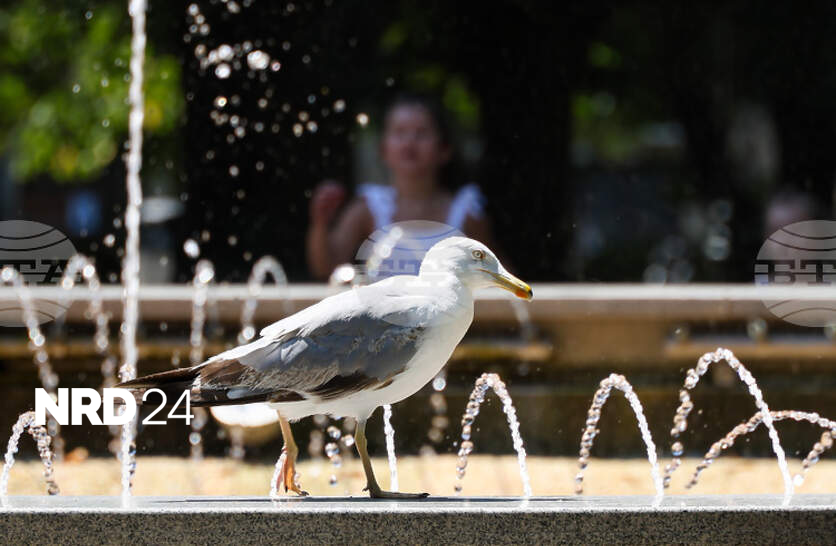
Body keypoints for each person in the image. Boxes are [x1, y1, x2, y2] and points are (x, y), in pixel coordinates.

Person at [306, 93, 496, 280]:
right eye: (399, 132)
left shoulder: (465, 213)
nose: (409, 142)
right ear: (384, 149)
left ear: (444, 149)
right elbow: (325, 267)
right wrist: (320, 224)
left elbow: (497, 278)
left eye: (421, 133)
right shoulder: (369, 208)